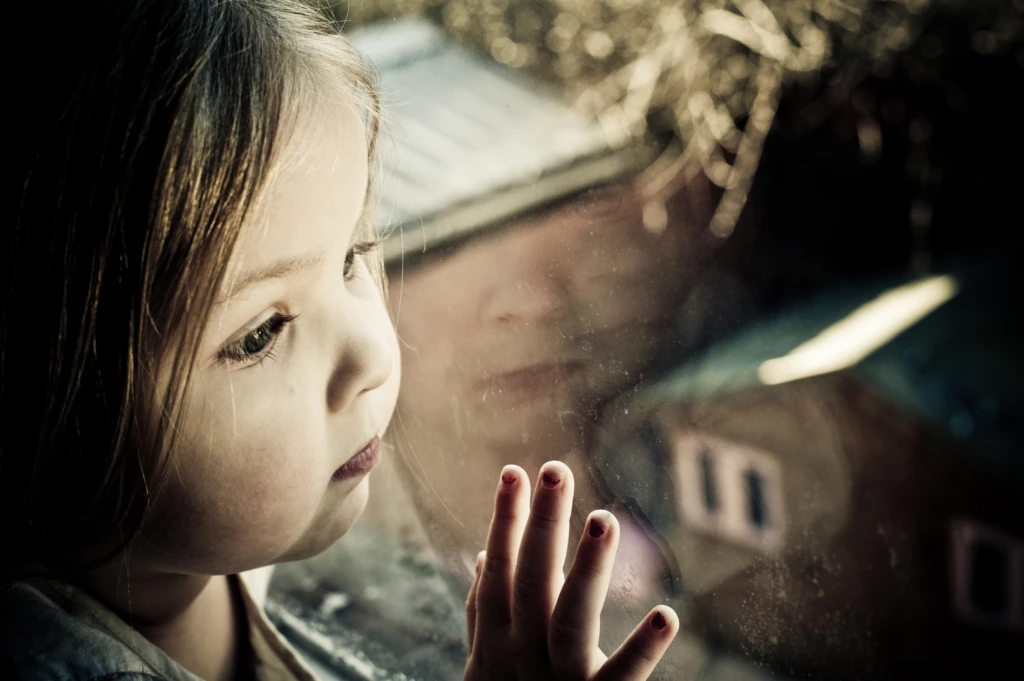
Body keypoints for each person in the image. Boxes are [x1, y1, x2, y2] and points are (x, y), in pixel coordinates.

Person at [0, 2, 680, 680]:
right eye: (260, 333)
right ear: (44, 405)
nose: (375, 356)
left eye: (353, 256)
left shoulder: (255, 555)